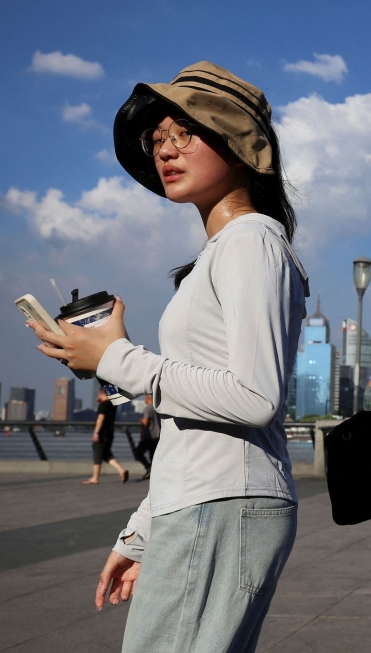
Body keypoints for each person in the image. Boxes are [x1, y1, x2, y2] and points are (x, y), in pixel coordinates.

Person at [27, 61, 308, 652]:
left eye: (186, 132)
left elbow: (255, 397)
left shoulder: (251, 241)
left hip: (223, 505)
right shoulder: (223, 252)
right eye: (157, 139)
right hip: (206, 503)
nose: (165, 150)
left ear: (239, 145)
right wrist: (144, 531)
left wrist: (115, 357)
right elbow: (192, 428)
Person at [82, 389, 128, 485]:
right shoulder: (112, 405)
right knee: (106, 454)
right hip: (109, 434)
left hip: (102, 434)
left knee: (97, 453)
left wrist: (96, 432)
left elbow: (100, 418)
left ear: (100, 394)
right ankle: (121, 471)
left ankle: (95, 478)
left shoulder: (104, 405)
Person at [133, 394, 159, 481]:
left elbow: (146, 422)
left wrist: (142, 434)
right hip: (158, 435)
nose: (144, 399)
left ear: (148, 398)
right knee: (153, 455)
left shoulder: (147, 408)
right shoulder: (157, 408)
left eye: (144, 397)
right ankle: (153, 473)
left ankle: (148, 468)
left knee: (138, 453)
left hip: (149, 435)